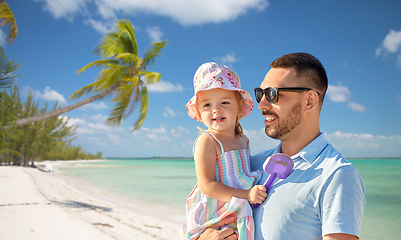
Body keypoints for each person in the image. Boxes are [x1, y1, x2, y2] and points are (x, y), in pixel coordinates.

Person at [198, 53, 366, 240]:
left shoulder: (337, 175)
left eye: (272, 94)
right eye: (260, 94)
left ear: (309, 100)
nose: (261, 104)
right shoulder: (250, 166)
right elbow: (210, 212)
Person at [181, 62, 268, 240]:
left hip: (238, 205)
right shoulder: (207, 141)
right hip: (216, 210)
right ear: (198, 110)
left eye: (224, 102)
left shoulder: (243, 140)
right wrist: (246, 195)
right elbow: (207, 186)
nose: (216, 109)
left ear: (240, 106)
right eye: (207, 105)